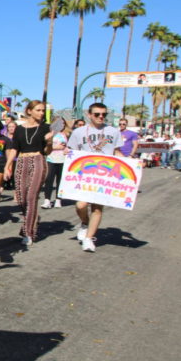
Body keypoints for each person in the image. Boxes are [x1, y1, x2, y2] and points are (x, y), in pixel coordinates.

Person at [66, 103, 122, 252]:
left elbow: (117, 152)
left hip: (105, 175)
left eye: (104, 114)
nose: (101, 117)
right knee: (81, 205)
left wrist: (132, 163)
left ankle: (89, 239)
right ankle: (85, 222)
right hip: (84, 175)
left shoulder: (113, 131)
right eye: (97, 114)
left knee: (97, 208)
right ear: (89, 115)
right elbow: (73, 152)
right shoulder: (79, 132)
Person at [5, 100, 53, 247]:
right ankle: (32, 218)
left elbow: (47, 151)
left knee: (32, 197)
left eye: (43, 110)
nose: (41, 113)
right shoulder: (19, 129)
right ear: (29, 111)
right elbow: (14, 148)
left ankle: (28, 232)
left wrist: (50, 142)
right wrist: (8, 165)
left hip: (38, 160)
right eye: (38, 110)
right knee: (20, 198)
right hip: (21, 161)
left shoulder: (45, 128)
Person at [41, 123, 67, 209]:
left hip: (62, 160)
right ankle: (47, 200)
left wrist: (67, 149)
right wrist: (56, 147)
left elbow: (68, 147)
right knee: (49, 180)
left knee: (60, 181)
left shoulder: (66, 134)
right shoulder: (49, 134)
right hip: (51, 160)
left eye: (62, 123)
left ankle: (58, 200)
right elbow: (44, 148)